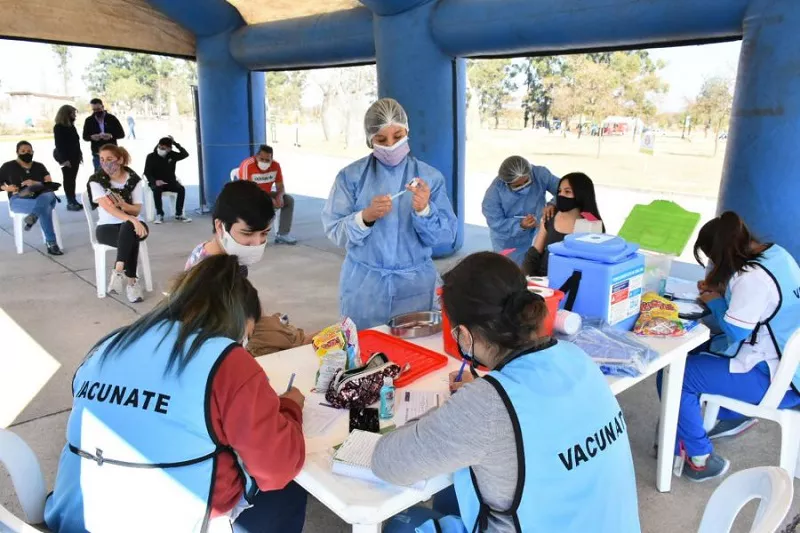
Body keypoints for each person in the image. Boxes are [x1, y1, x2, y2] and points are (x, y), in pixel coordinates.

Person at [373, 252, 640, 533]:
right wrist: (476, 400)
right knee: (454, 491)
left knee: (406, 524)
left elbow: (387, 462)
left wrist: (462, 407)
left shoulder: (486, 406)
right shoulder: (576, 356)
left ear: (464, 334)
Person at [44, 254, 308, 533]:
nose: (244, 344)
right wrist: (290, 408)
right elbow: (277, 468)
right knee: (288, 489)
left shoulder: (109, 344)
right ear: (239, 320)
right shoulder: (226, 361)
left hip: (73, 519)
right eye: (248, 335)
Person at [656, 212, 800, 482]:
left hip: (774, 379)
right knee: (691, 353)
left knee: (674, 374)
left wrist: (714, 301)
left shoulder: (751, 278)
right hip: (791, 368)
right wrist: (721, 290)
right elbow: (766, 306)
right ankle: (718, 419)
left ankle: (700, 458)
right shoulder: (776, 253)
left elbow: (734, 332)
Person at [322, 98, 458, 330]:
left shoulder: (429, 178)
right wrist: (365, 217)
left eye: (398, 136)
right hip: (365, 290)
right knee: (367, 354)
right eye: (381, 139)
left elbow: (446, 236)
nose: (391, 145)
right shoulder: (351, 177)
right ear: (369, 140)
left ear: (407, 132)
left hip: (415, 288)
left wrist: (424, 210)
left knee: (415, 356)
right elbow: (335, 230)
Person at [186, 180, 315, 355]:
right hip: (225, 348)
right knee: (302, 346)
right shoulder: (210, 276)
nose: (257, 243)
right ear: (220, 226)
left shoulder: (217, 253)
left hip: (244, 327)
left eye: (264, 233)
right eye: (247, 233)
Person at [87, 145, 148, 303]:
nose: (105, 163)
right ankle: (132, 282)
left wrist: (125, 207)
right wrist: (132, 219)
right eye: (102, 159)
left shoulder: (133, 180)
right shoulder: (96, 181)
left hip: (134, 225)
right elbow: (108, 208)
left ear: (120, 160)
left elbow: (136, 209)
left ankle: (118, 271)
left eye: (109, 159)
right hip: (107, 228)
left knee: (129, 228)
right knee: (131, 233)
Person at [482, 155, 560, 265]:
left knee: (536, 267)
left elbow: (563, 189)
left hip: (538, 234)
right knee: (510, 271)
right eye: (517, 186)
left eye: (526, 182)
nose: (524, 187)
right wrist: (520, 225)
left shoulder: (540, 174)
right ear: (506, 183)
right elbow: (495, 222)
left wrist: (553, 204)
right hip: (507, 242)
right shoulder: (493, 195)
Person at [522, 172, 604, 276]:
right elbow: (535, 252)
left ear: (581, 194)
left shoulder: (591, 222)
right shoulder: (550, 215)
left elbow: (590, 262)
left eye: (567, 192)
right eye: (559, 191)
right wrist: (525, 276)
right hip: (543, 278)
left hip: (572, 280)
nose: (561, 195)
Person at [0, 141, 63, 255]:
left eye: (29, 151)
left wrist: (35, 183)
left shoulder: (39, 166)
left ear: (33, 152)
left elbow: (49, 182)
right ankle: (51, 243)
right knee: (45, 208)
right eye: (23, 151)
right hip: (19, 199)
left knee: (47, 196)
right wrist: (7, 188)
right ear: (17, 152)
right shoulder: (8, 166)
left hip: (42, 195)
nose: (26, 153)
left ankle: (33, 216)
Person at [238, 145, 297, 245]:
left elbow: (280, 187)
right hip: (249, 197)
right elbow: (245, 190)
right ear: (256, 157)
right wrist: (268, 199)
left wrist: (279, 196)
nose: (264, 162)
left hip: (267, 195)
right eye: (262, 159)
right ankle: (249, 235)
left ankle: (283, 234)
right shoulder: (247, 165)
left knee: (288, 200)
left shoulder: (275, 166)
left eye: (267, 160)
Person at [143, 136, 192, 224]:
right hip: (156, 182)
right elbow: (147, 172)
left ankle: (179, 214)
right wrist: (155, 181)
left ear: (169, 149)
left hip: (170, 182)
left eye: (164, 148)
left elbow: (185, 154)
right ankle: (160, 214)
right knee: (157, 190)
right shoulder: (151, 156)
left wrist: (175, 143)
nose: (160, 149)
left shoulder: (172, 155)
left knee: (181, 189)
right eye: (160, 147)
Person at [53, 105, 84, 211]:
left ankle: (73, 199)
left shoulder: (71, 126)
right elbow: (59, 145)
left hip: (74, 156)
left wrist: (79, 155)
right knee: (68, 179)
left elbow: (76, 142)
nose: (74, 115)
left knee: (72, 179)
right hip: (66, 158)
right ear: (66, 114)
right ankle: (70, 201)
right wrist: (64, 160)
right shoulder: (59, 127)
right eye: (73, 113)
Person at [82, 98, 125, 172]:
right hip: (97, 153)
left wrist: (111, 136)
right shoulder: (89, 120)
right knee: (99, 176)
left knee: (114, 174)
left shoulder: (112, 118)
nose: (96, 111)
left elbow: (122, 134)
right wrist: (91, 137)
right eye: (94, 110)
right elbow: (85, 137)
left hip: (112, 152)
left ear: (103, 107)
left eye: (98, 109)